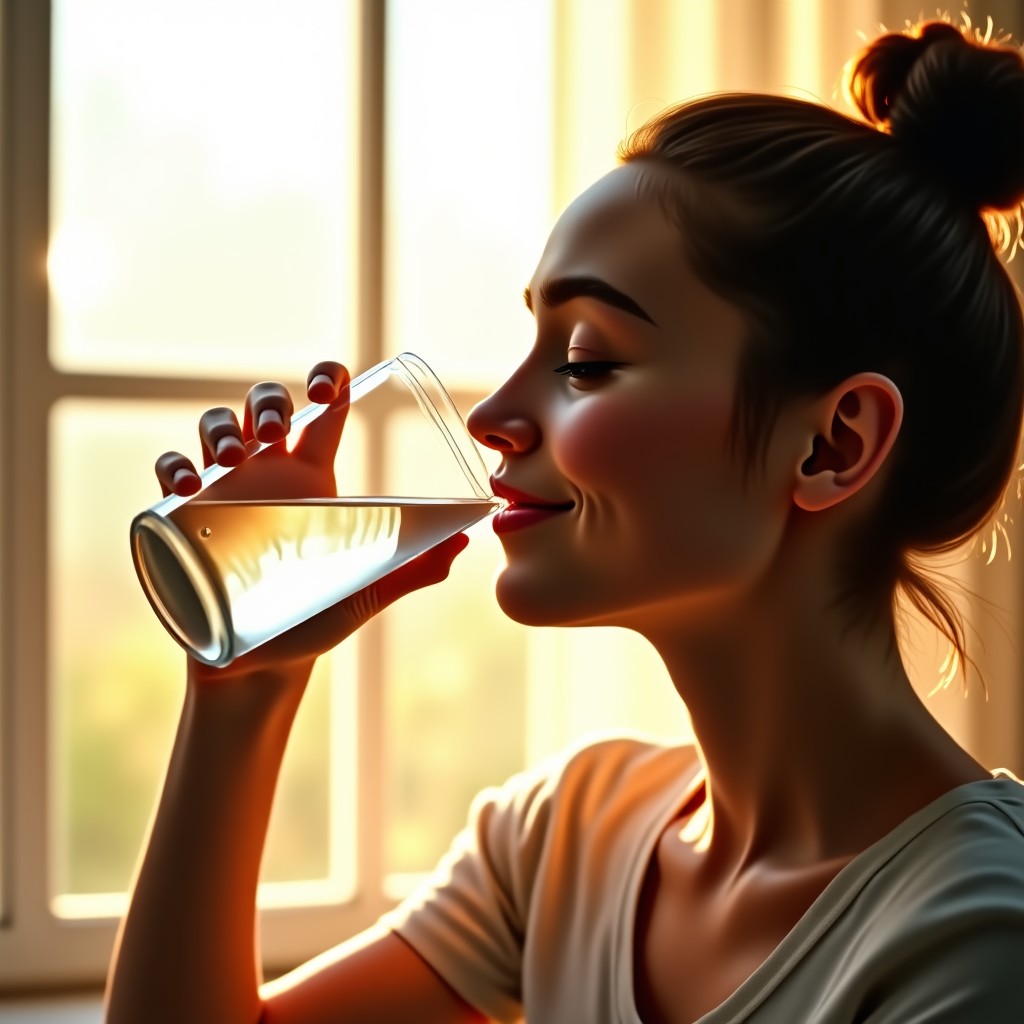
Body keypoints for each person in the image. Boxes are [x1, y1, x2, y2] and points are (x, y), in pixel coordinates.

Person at [105, 15, 1024, 1024]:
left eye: (585, 360)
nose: (492, 416)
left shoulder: (977, 937)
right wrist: (242, 689)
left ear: (833, 445)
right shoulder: (565, 838)